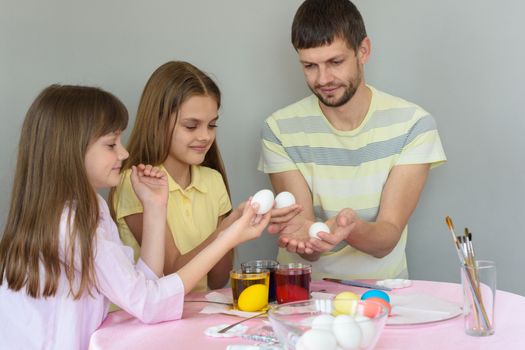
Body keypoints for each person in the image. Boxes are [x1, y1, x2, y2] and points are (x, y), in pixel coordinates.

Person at [0, 85, 270, 350]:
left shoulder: (89, 206)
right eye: (111, 144)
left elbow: (143, 287)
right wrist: (227, 237)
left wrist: (154, 207)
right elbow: (150, 304)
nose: (124, 153)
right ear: (70, 150)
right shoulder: (71, 224)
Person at [259, 0, 446, 280]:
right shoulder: (279, 129)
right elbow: (307, 247)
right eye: (309, 65)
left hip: (381, 295)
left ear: (363, 51)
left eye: (335, 62)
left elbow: (386, 239)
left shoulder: (414, 125)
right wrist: (306, 238)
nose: (323, 79)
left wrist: (350, 227)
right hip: (301, 295)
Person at [111, 61, 249, 292]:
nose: (205, 136)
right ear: (158, 122)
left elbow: (217, 280)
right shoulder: (136, 183)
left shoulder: (212, 180)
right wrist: (225, 233)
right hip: (146, 320)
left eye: (212, 125)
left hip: (196, 314)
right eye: (191, 126)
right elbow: (171, 275)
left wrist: (234, 226)